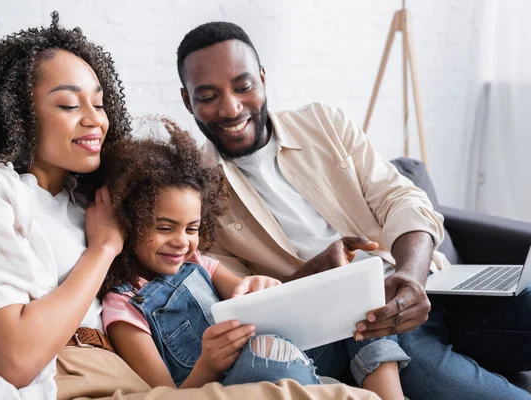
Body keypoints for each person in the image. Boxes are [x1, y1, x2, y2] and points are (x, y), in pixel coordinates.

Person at [0, 12, 380, 400]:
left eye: (100, 103)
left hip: (131, 383)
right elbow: (16, 358)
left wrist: (251, 290)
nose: (95, 119)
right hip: (55, 384)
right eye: (69, 104)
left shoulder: (86, 198)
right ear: (17, 112)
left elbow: (181, 252)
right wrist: (103, 248)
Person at [175, 21, 531, 400]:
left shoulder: (325, 124)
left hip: (429, 284)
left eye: (243, 86)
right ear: (187, 101)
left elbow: (403, 200)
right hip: (366, 327)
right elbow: (249, 306)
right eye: (208, 96)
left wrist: (412, 277)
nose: (231, 108)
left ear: (263, 79)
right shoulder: (198, 194)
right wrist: (318, 276)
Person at [98, 121, 409, 399]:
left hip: (286, 355)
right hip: (239, 381)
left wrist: (261, 287)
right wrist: (208, 364)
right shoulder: (124, 306)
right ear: (130, 221)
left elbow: (247, 298)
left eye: (191, 228)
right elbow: (167, 395)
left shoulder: (196, 262)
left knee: (358, 294)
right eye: (164, 228)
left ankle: (386, 394)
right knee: (265, 354)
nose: (181, 241)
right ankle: (321, 385)